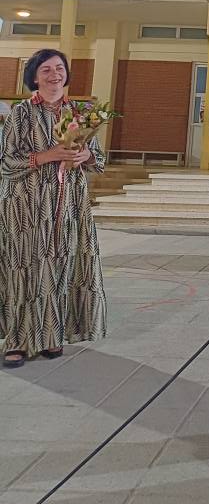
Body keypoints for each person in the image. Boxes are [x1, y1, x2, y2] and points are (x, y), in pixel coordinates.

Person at [0, 49, 107, 367]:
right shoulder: (21, 113)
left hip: (68, 204)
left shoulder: (80, 114)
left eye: (59, 68)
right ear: (34, 76)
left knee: (60, 267)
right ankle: (17, 340)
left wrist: (85, 156)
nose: (54, 74)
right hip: (26, 206)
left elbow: (99, 161)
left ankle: (51, 335)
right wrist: (46, 156)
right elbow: (6, 163)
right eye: (45, 69)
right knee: (23, 268)